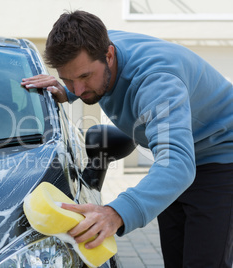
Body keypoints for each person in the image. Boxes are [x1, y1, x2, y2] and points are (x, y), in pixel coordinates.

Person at [21, 10, 233, 268]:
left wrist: (116, 212)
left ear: (109, 55)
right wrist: (65, 91)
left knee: (203, 262)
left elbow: (178, 165)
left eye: (85, 77)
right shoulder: (97, 44)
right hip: (177, 159)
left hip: (221, 156)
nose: (78, 88)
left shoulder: (156, 83)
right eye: (68, 78)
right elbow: (175, 165)